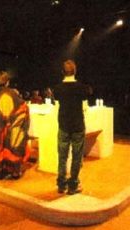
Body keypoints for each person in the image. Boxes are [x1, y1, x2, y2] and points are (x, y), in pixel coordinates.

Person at [54, 59, 92, 195]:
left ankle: (61, 184)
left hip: (63, 125)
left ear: (62, 72)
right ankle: (73, 185)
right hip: (77, 126)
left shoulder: (57, 88)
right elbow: (85, 107)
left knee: (62, 157)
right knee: (77, 157)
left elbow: (57, 105)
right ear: (75, 71)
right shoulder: (82, 88)